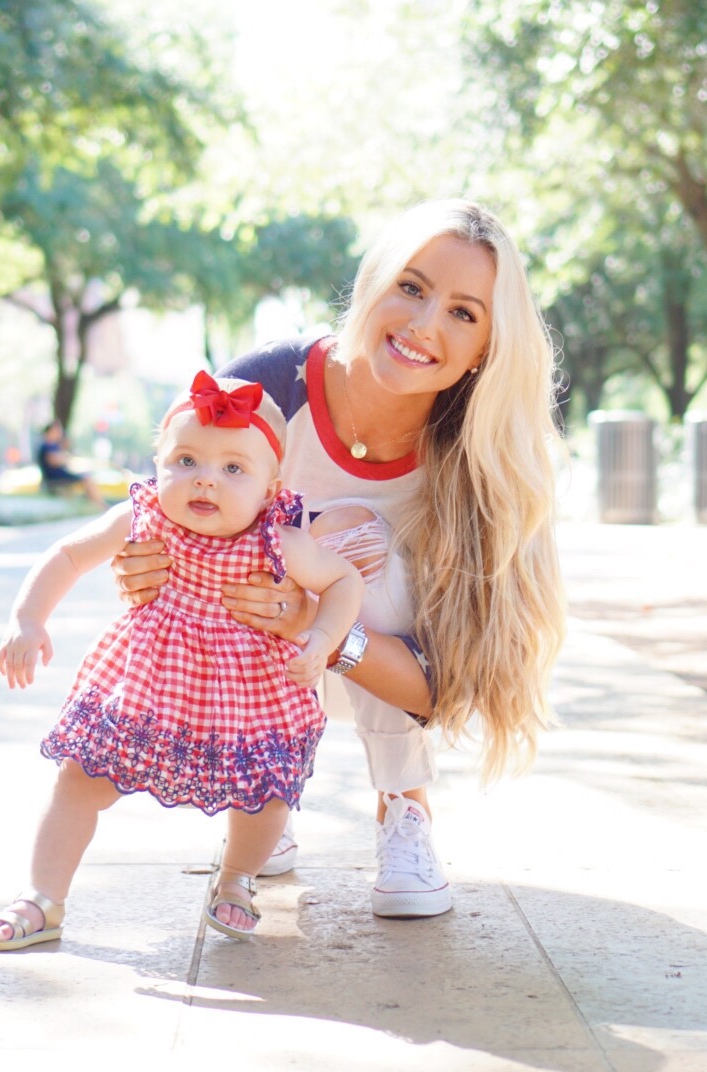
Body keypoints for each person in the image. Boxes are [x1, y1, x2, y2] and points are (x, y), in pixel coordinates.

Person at [112, 199, 567, 919]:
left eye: (463, 313)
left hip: (357, 640)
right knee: (282, 544)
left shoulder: (476, 459)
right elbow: (171, 514)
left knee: (365, 552)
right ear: (371, 285)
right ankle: (263, 794)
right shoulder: (268, 388)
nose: (423, 326)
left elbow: (441, 686)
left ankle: (403, 808)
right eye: (411, 288)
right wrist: (142, 565)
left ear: (486, 347)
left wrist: (320, 627)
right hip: (239, 635)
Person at [0, 372, 365, 949]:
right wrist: (28, 619)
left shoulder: (277, 541)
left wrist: (323, 637)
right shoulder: (141, 518)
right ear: (156, 463)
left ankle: (236, 879)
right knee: (79, 778)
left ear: (270, 487)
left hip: (248, 693)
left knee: (265, 799)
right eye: (185, 460)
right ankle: (42, 897)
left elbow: (343, 580)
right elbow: (67, 555)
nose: (205, 479)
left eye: (234, 468)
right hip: (146, 681)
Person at [37, 419, 105, 505]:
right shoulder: (47, 445)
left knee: (86, 479)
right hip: (55, 479)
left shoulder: (54, 445)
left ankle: (96, 503)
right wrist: (66, 458)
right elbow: (54, 460)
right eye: (58, 430)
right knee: (87, 479)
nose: (60, 432)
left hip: (59, 477)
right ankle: (101, 505)